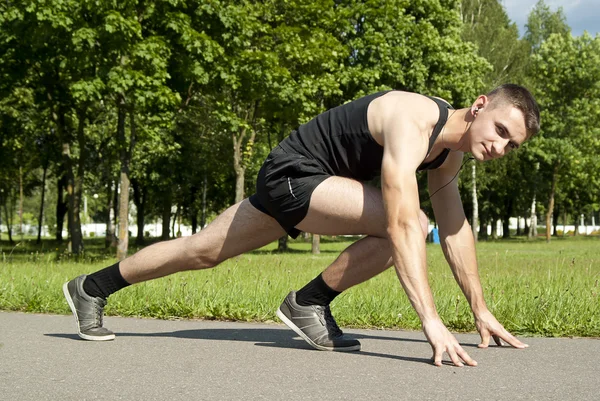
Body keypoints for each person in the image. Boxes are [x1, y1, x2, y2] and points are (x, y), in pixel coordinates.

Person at [63, 84, 540, 367]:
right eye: (501, 131)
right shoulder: (414, 119)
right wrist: (431, 323)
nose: (501, 147)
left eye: (511, 145)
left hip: (306, 183)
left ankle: (91, 287)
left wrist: (479, 309)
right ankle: (308, 303)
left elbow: (454, 230)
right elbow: (399, 222)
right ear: (480, 106)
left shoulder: (448, 157)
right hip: (294, 175)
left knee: (203, 250)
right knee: (410, 222)